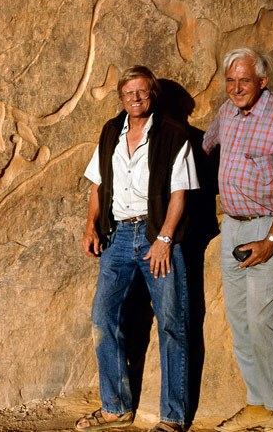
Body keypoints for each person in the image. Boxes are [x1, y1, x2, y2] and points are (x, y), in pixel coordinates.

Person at [77, 65, 199, 431]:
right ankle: (115, 408)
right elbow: (97, 185)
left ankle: (173, 416)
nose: (135, 98)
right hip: (116, 238)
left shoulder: (174, 134)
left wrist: (164, 238)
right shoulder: (111, 132)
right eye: (128, 93)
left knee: (173, 324)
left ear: (152, 95)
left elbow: (180, 194)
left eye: (142, 92)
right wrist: (90, 226)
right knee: (103, 318)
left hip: (155, 238)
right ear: (121, 98)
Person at [203, 48, 273, 432]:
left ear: (263, 81)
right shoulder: (226, 113)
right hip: (233, 227)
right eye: (231, 80)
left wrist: (271, 239)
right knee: (240, 322)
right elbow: (207, 145)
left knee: (265, 319)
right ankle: (258, 404)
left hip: (270, 227)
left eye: (244, 80)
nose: (236, 88)